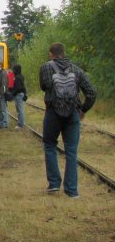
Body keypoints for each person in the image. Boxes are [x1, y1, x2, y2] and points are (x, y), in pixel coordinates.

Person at [39, 42, 96, 198]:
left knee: (50, 145)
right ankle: (72, 190)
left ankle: (54, 184)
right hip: (72, 113)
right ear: (64, 53)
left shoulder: (46, 67)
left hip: (53, 112)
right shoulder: (77, 70)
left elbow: (44, 86)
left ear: (51, 54)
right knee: (71, 151)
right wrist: (83, 109)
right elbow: (91, 93)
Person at [11, 64, 27, 129]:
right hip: (21, 94)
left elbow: (18, 88)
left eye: (13, 69)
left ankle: (20, 124)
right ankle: (22, 121)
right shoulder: (21, 76)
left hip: (18, 94)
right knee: (20, 109)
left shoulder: (17, 77)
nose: (12, 70)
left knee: (20, 109)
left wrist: (12, 94)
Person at [0, 60, 9, 128]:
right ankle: (2, 122)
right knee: (1, 108)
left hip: (1, 94)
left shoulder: (3, 73)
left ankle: (5, 123)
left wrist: (2, 93)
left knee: (3, 108)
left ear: (0, 65)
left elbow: (4, 84)